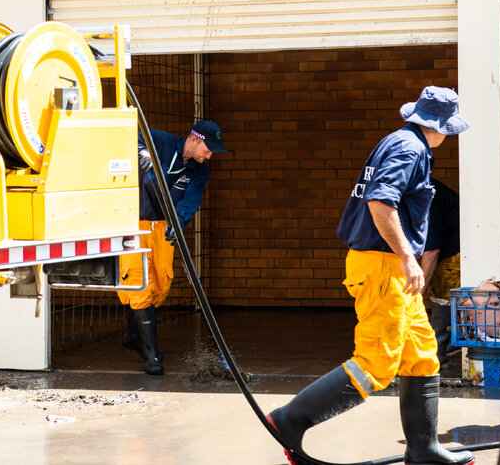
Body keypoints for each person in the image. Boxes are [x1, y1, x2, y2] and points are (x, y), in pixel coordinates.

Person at [268, 86, 474, 465]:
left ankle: (423, 449)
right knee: (376, 363)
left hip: (390, 267)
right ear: (440, 128)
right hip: (384, 267)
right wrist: (408, 258)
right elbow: (381, 202)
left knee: (422, 357)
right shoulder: (411, 149)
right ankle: (288, 420)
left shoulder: (399, 141)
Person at [117, 119, 226, 375]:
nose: (209, 156)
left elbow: (190, 201)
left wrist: (178, 221)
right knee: (137, 280)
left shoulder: (200, 171)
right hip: (135, 222)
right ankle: (152, 354)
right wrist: (141, 151)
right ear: (193, 139)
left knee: (160, 283)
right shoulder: (162, 142)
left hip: (163, 225)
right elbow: (127, 130)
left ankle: (134, 337)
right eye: (207, 149)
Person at [422, 178, 461, 373]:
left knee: (442, 300)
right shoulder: (422, 188)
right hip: (448, 246)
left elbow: (431, 251)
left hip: (453, 252)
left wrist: (417, 291)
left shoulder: (428, 196)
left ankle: (436, 360)